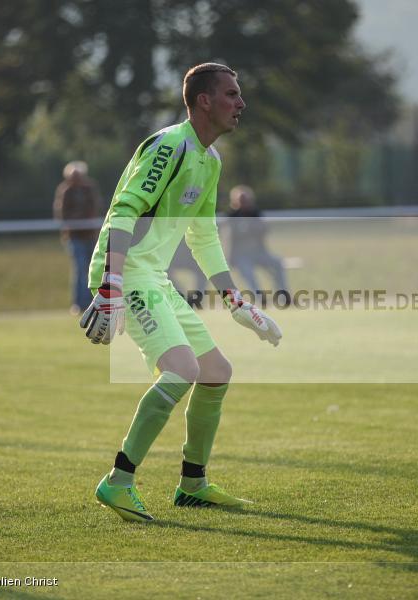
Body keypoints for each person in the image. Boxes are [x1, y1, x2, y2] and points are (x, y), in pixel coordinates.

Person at [80, 63, 282, 523]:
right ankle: (118, 481)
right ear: (204, 101)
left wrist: (235, 301)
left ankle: (192, 485)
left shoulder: (211, 160)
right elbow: (123, 212)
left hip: (154, 277)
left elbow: (203, 236)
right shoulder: (169, 145)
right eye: (231, 94)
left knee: (215, 372)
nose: (241, 103)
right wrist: (112, 283)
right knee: (181, 370)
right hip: (127, 273)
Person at [226, 184, 290, 303]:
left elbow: (264, 230)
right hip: (241, 256)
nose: (244, 203)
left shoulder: (255, 213)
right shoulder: (232, 216)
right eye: (241, 200)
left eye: (246, 200)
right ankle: (260, 298)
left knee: (277, 263)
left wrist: (253, 228)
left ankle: (283, 296)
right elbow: (229, 238)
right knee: (248, 273)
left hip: (259, 253)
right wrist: (230, 258)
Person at [54, 161, 100, 314]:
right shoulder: (65, 191)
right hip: (74, 237)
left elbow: (95, 208)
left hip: (91, 235)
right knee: (79, 269)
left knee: (94, 269)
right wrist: (78, 218)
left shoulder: (89, 189)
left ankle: (94, 302)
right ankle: (79, 304)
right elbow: (62, 214)